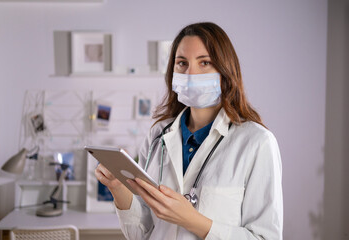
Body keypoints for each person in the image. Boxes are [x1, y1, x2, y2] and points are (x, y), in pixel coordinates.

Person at [95, 22, 283, 240]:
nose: (191, 73)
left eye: (204, 63)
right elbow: (141, 234)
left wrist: (191, 220)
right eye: (182, 63)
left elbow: (264, 237)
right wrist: (118, 188)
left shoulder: (257, 142)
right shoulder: (158, 136)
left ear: (225, 71)